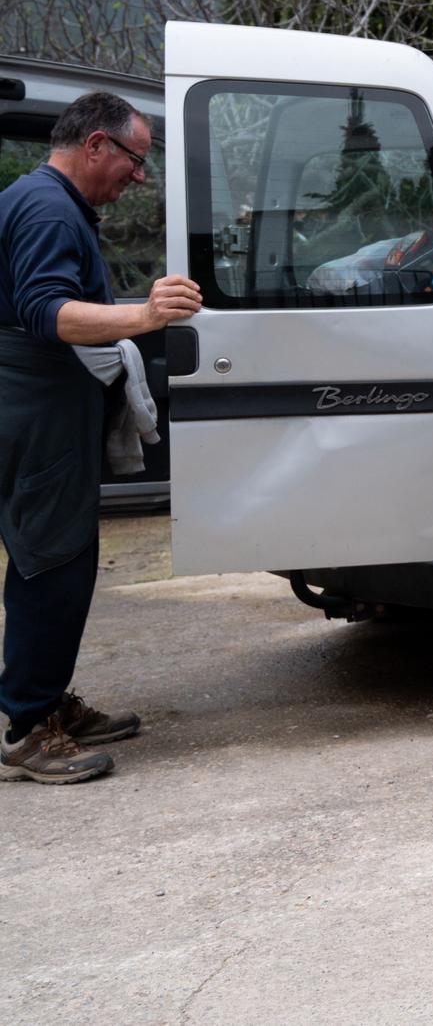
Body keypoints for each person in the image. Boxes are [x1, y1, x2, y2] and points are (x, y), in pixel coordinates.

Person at [0, 92, 200, 784]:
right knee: (48, 560)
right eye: (134, 159)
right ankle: (29, 728)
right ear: (94, 145)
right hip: (38, 412)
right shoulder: (48, 208)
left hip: (46, 408)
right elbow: (48, 312)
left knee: (61, 555)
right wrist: (143, 315)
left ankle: (47, 700)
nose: (138, 175)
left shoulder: (43, 201)